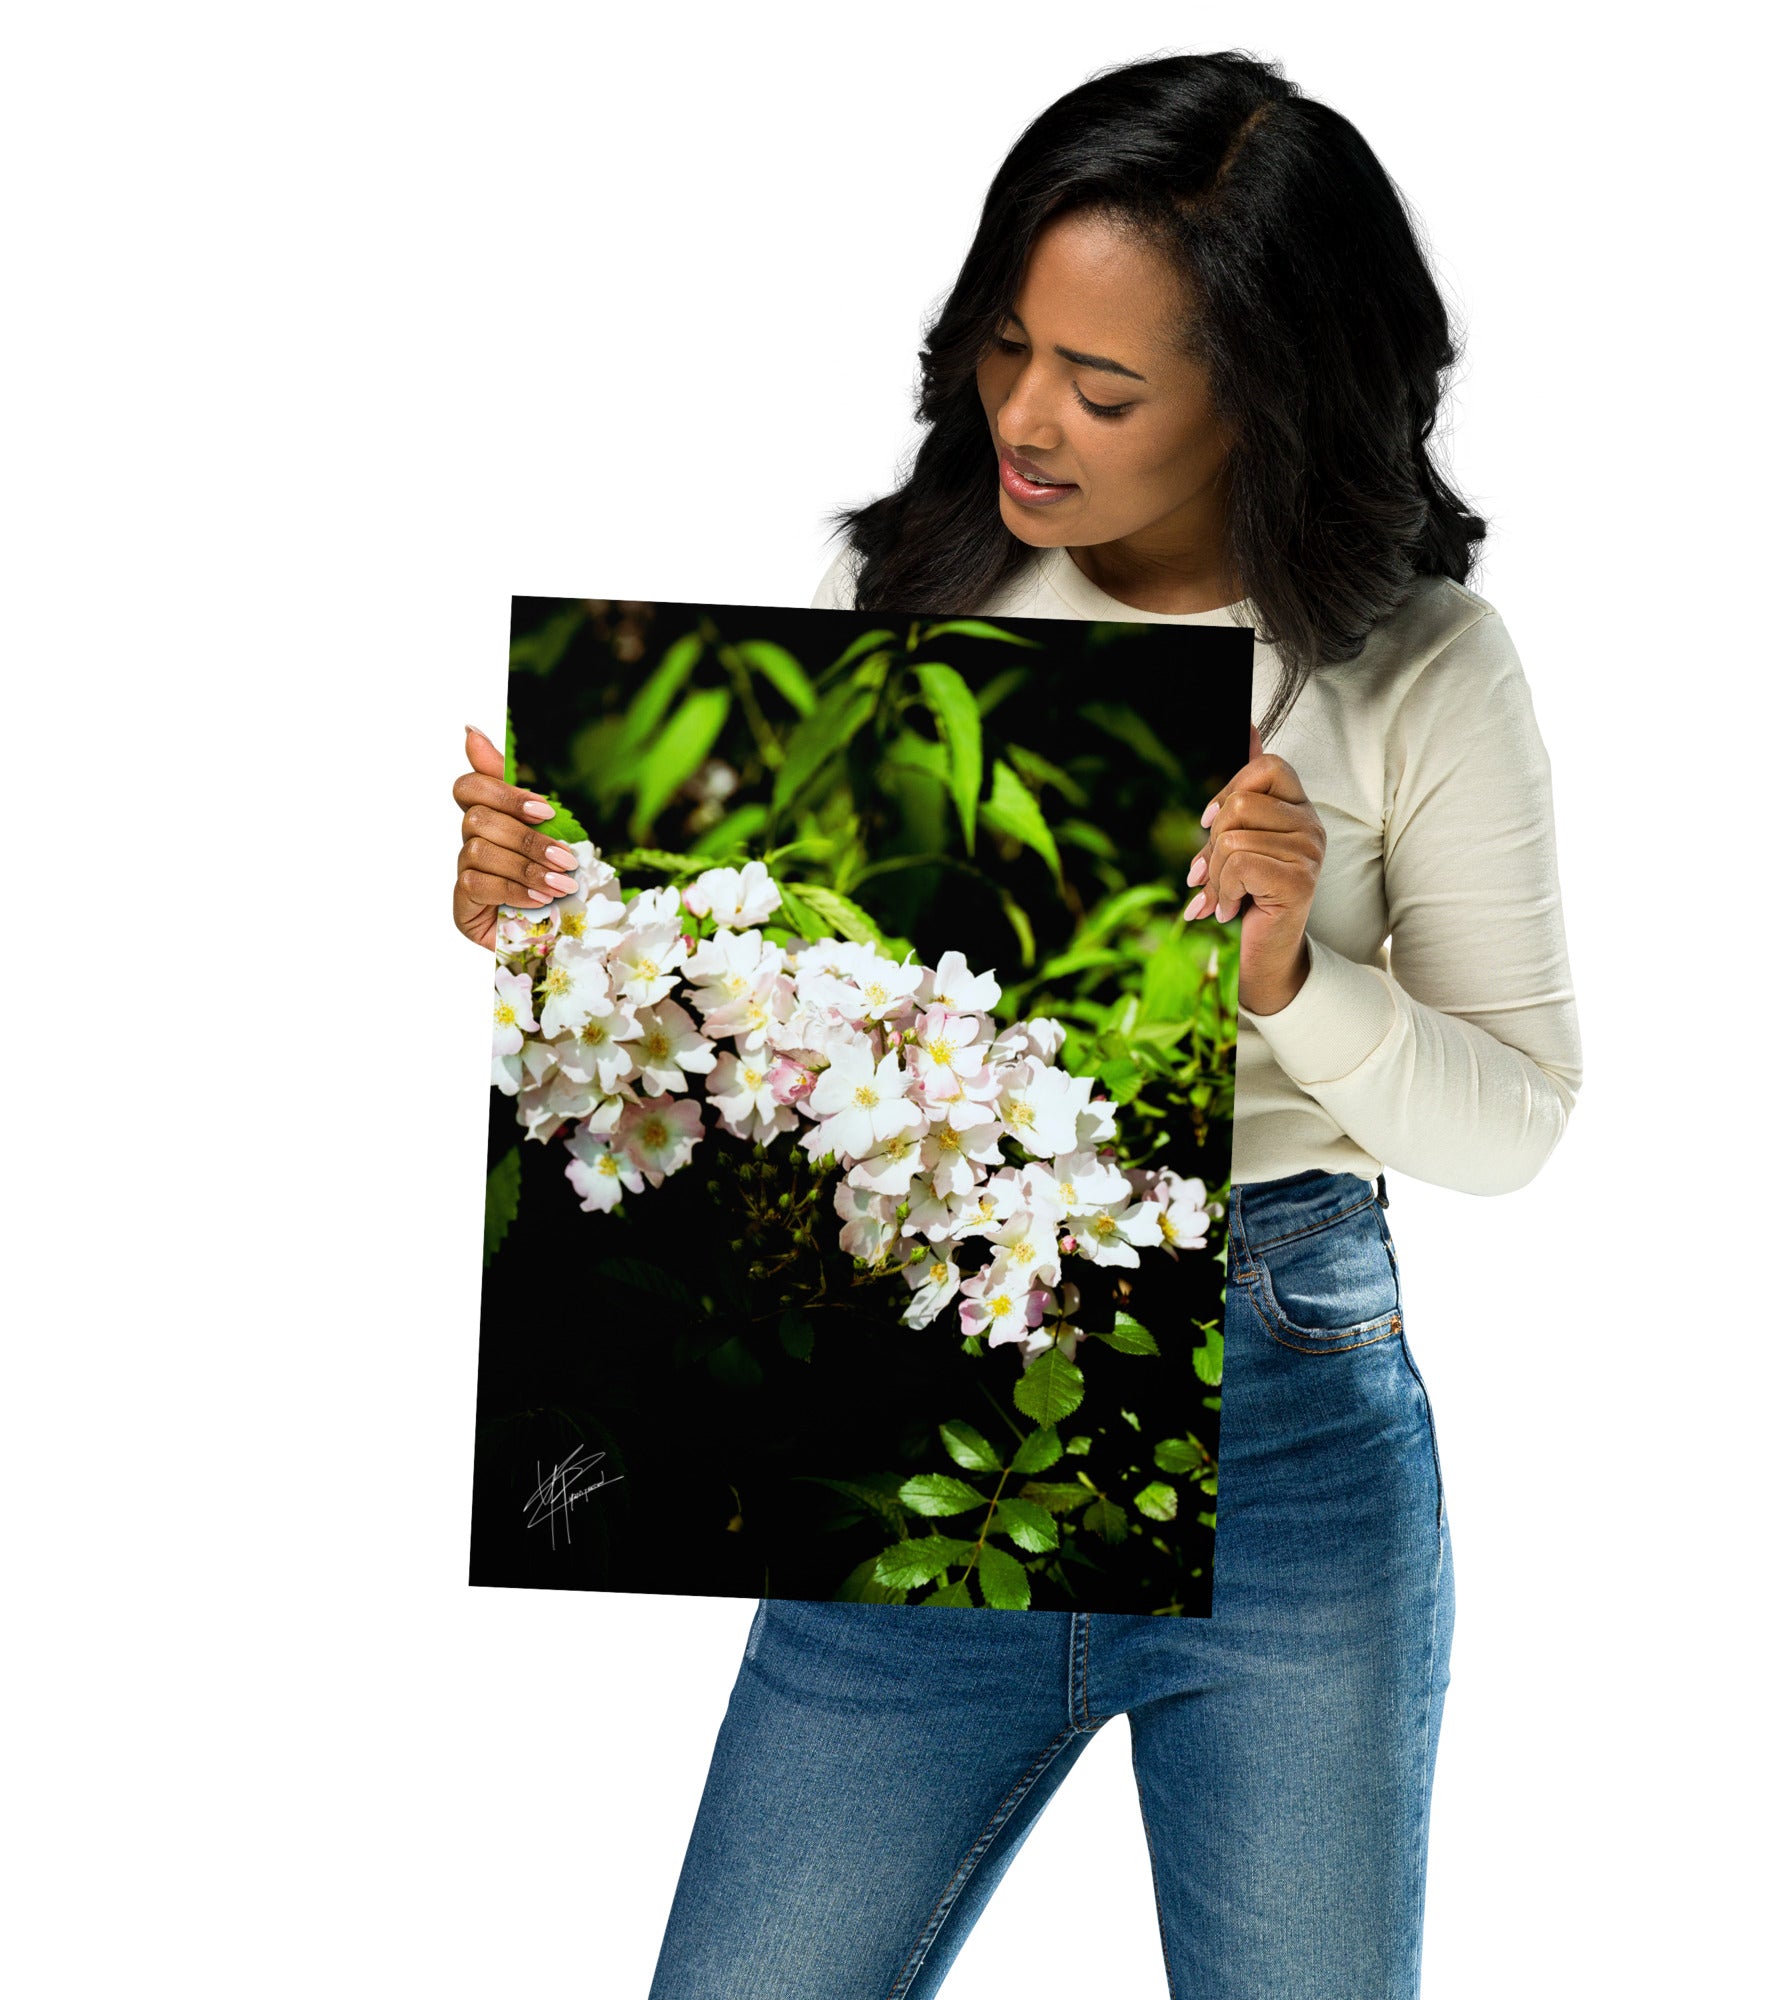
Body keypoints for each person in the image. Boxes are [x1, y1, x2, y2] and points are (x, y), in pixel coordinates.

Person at [451, 49, 1582, 1999]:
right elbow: (768, 1044)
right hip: (920, 1415)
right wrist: (562, 934)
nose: (1025, 418)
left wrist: (1292, 981)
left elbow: (1515, 1123)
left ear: (1267, 397)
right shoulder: (905, 592)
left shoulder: (1416, 668)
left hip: (1292, 1441)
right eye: (1003, 348)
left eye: (1105, 384)